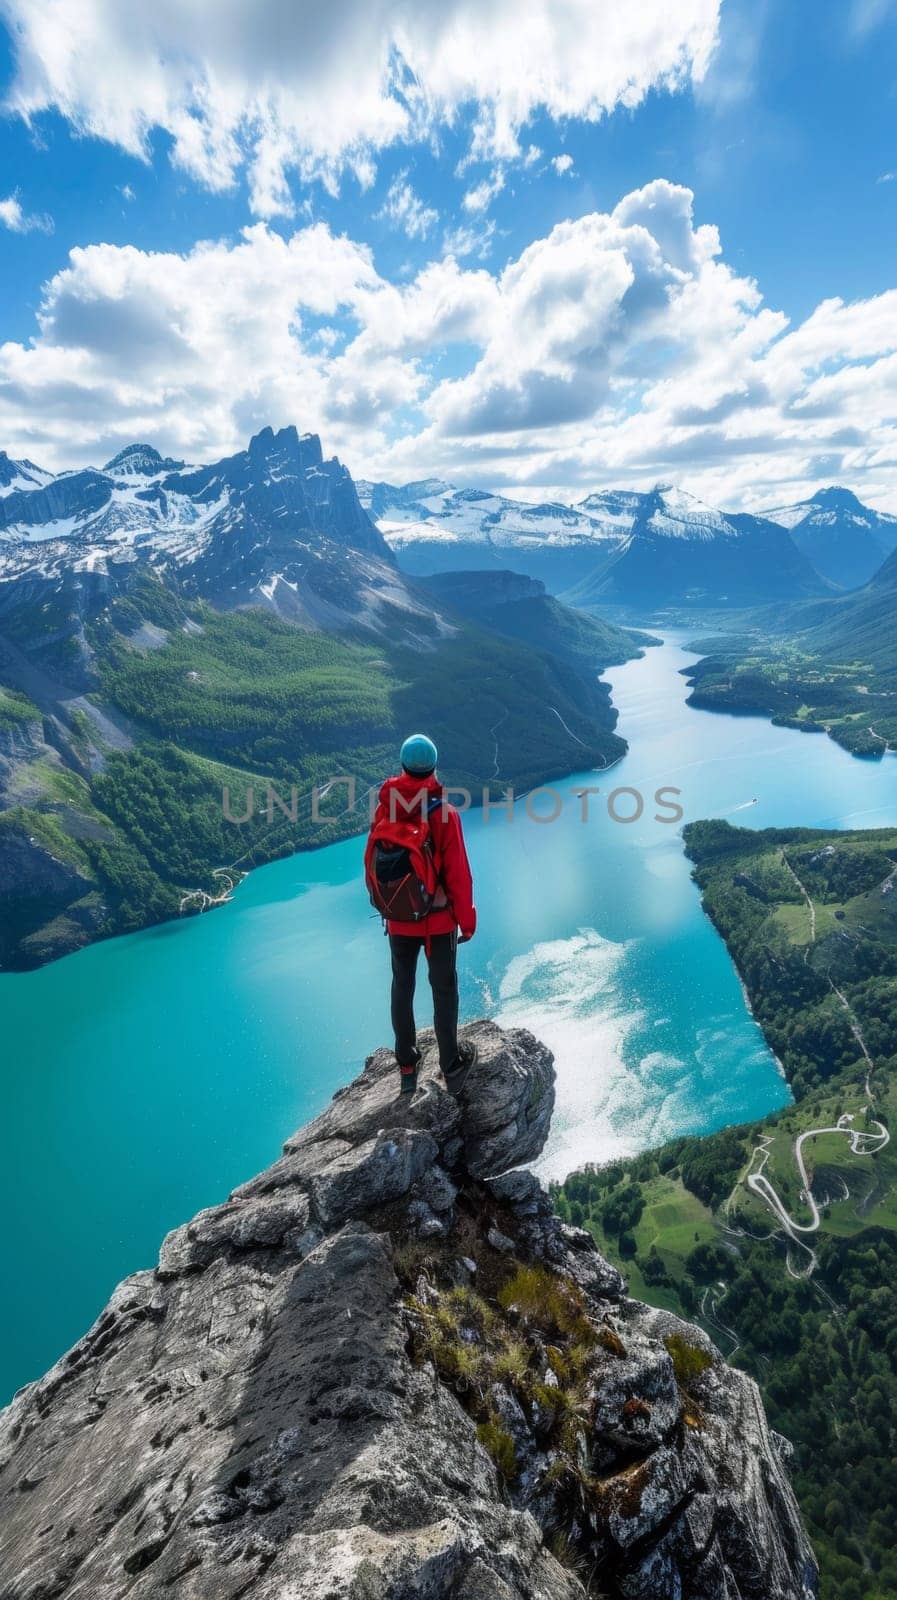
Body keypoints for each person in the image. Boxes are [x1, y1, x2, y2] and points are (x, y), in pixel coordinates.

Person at [368, 733, 477, 1098]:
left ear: (402, 766)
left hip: (399, 916)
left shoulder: (386, 807)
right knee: (443, 989)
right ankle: (451, 1064)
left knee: (403, 985)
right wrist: (468, 919)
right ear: (434, 767)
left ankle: (407, 1063)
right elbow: (458, 875)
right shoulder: (443, 813)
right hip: (437, 920)